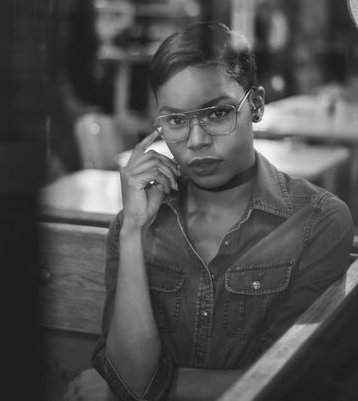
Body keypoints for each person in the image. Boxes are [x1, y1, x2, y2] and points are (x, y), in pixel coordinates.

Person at [64, 22, 354, 401]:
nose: (197, 141)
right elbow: (128, 373)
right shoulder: (135, 225)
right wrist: (133, 231)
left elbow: (293, 384)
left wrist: (142, 390)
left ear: (257, 105)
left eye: (217, 114)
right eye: (176, 120)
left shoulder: (317, 221)